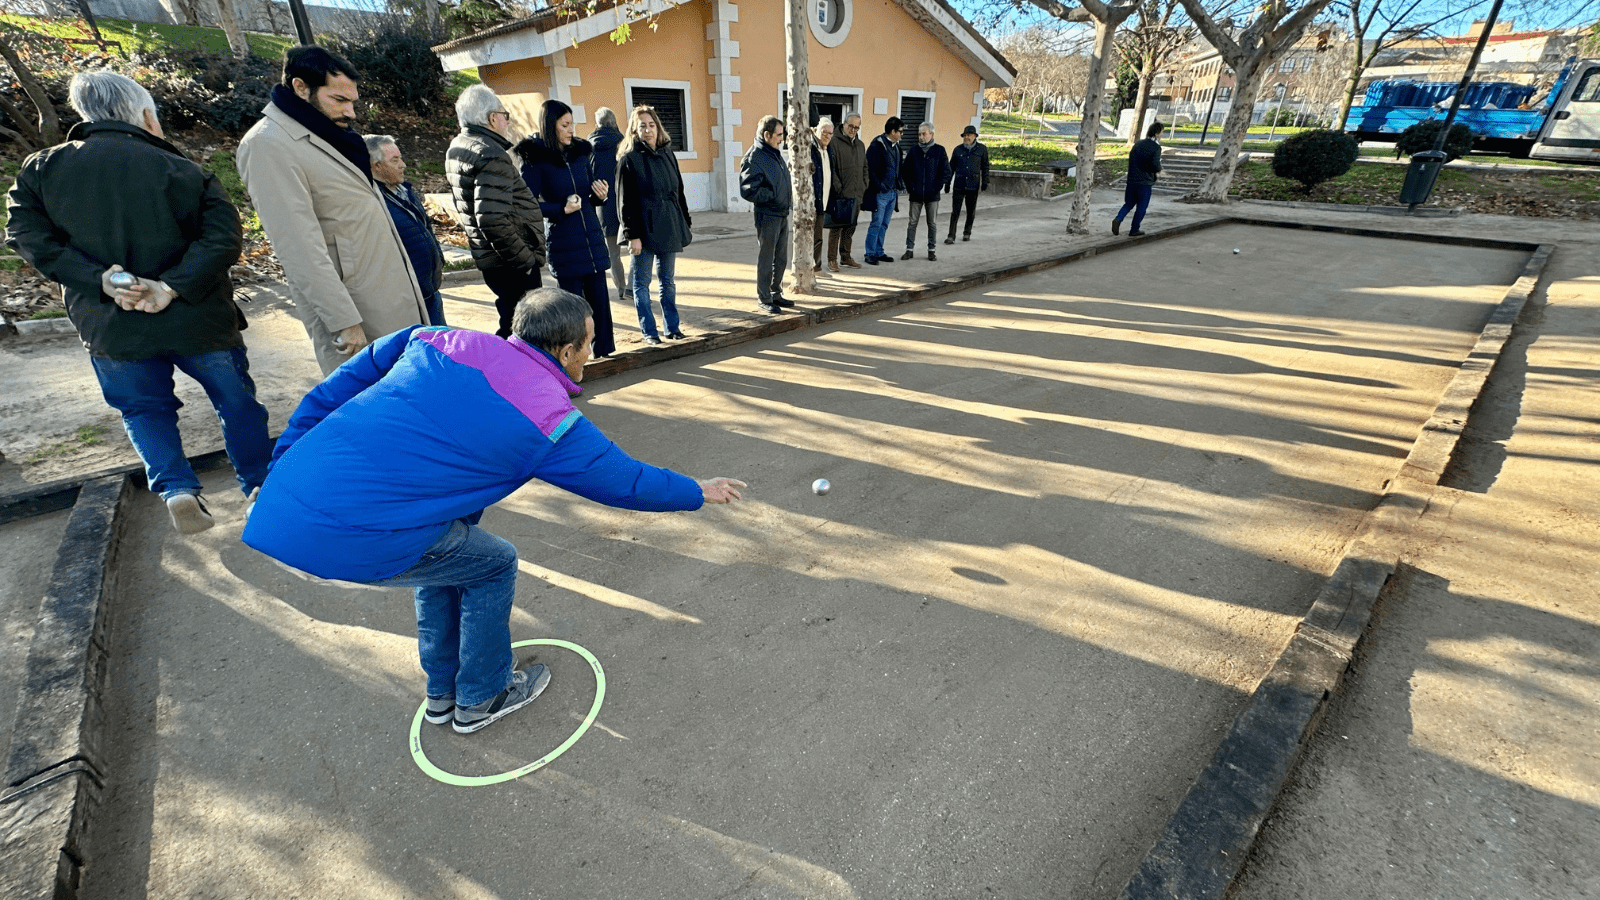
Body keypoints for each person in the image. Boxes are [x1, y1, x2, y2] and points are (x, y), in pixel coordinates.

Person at [242, 289, 746, 734]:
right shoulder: (547, 417)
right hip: (349, 536)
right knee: (493, 562)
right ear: (567, 351)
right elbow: (627, 482)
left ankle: (443, 692)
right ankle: (482, 697)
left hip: (283, 503)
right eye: (589, 343)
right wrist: (698, 490)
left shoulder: (434, 339)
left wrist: (281, 464)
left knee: (446, 557)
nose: (590, 353)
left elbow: (330, 391)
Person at [7, 72, 270, 534]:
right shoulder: (186, 170)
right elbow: (224, 239)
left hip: (109, 322)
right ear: (147, 116)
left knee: (143, 409)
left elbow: (26, 235)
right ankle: (258, 485)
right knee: (236, 402)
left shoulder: (41, 169)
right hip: (199, 317)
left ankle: (177, 489)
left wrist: (101, 280)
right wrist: (169, 286)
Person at [236, 45, 426, 375]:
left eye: (352, 101)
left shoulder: (332, 136)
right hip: (357, 319)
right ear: (300, 88)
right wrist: (344, 322)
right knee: (372, 414)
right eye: (339, 100)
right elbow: (298, 247)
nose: (351, 113)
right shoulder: (267, 145)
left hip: (389, 304)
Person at [446, 84, 547, 339]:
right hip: (511, 262)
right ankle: (514, 377)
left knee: (513, 320)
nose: (507, 121)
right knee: (524, 329)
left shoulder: (461, 146)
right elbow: (491, 218)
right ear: (492, 118)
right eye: (505, 115)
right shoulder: (490, 154)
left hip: (495, 259)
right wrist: (525, 261)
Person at [518, 100, 617, 358]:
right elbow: (527, 204)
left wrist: (600, 196)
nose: (571, 129)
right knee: (572, 311)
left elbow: (588, 194)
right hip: (564, 242)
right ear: (551, 126)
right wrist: (559, 209)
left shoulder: (580, 152)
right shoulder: (535, 158)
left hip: (591, 239)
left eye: (572, 123)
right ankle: (572, 360)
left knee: (600, 305)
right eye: (565, 125)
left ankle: (606, 354)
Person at [616, 104, 693, 345]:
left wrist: (685, 222)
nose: (648, 130)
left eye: (651, 125)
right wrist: (632, 235)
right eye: (642, 126)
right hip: (643, 229)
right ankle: (649, 331)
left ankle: (672, 327)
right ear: (634, 131)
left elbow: (678, 191)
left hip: (669, 224)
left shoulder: (668, 154)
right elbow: (624, 202)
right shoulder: (628, 160)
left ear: (658, 128)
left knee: (668, 280)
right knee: (641, 284)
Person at [367, 134, 447, 326]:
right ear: (376, 166)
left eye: (401, 158)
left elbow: (426, 229)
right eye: (395, 160)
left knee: (440, 347)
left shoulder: (405, 191)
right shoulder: (373, 201)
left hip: (430, 291)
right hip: (407, 301)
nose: (403, 164)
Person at [738, 115, 794, 313]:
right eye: (779, 135)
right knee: (767, 259)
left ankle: (775, 293)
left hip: (781, 213)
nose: (782, 138)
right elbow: (748, 189)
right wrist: (772, 195)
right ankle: (764, 297)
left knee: (780, 258)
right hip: (768, 215)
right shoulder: (755, 156)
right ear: (767, 134)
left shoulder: (774, 152)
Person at [588, 107, 628, 301]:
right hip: (627, 204)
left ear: (597, 123)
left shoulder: (589, 147)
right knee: (638, 250)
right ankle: (636, 289)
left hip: (603, 206)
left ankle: (622, 288)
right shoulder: (625, 144)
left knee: (613, 253)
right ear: (614, 122)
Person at [900, 122, 950, 262]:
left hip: (932, 195)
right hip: (916, 195)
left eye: (924, 134)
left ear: (931, 134)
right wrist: (911, 188)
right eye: (919, 134)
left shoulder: (939, 150)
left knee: (932, 223)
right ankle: (909, 250)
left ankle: (931, 250)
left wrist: (936, 187)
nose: (921, 137)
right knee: (912, 222)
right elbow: (905, 171)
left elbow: (946, 172)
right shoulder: (914, 150)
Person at [828, 113, 870, 270]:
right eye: (851, 126)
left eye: (857, 127)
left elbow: (865, 166)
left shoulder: (860, 145)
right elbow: (831, 170)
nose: (853, 130)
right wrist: (838, 188)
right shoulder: (833, 142)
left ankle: (846, 257)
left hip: (856, 194)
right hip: (840, 194)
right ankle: (832, 259)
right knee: (836, 229)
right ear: (843, 124)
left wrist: (864, 184)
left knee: (850, 227)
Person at [863, 116, 904, 265]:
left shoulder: (896, 148)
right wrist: (880, 186)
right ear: (892, 131)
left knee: (885, 223)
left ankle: (879, 252)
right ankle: (869, 253)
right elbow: (870, 170)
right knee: (876, 223)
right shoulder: (877, 146)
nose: (902, 134)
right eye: (900, 131)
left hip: (893, 193)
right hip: (881, 193)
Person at [1112, 121, 1164, 237]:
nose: (1162, 135)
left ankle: (1118, 218)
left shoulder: (1138, 144)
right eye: (1161, 132)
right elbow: (1155, 166)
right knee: (1141, 207)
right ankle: (1134, 229)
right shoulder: (1156, 148)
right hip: (1145, 182)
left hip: (1132, 180)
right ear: (1156, 133)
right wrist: (1159, 168)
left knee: (1129, 203)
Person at [946, 125, 989, 244]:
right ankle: (951, 235)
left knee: (970, 211)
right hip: (959, 185)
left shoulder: (982, 150)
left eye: (969, 135)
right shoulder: (958, 150)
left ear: (975, 136)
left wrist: (985, 181)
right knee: (955, 212)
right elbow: (951, 168)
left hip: (973, 185)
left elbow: (985, 167)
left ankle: (967, 232)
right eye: (965, 135)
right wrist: (947, 183)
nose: (966, 137)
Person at [809, 117, 835, 274]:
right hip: (812, 202)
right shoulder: (810, 149)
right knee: (812, 236)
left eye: (830, 133)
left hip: (824, 200)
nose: (827, 136)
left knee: (818, 237)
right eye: (824, 132)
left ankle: (816, 265)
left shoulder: (828, 149)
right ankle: (812, 267)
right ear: (815, 131)